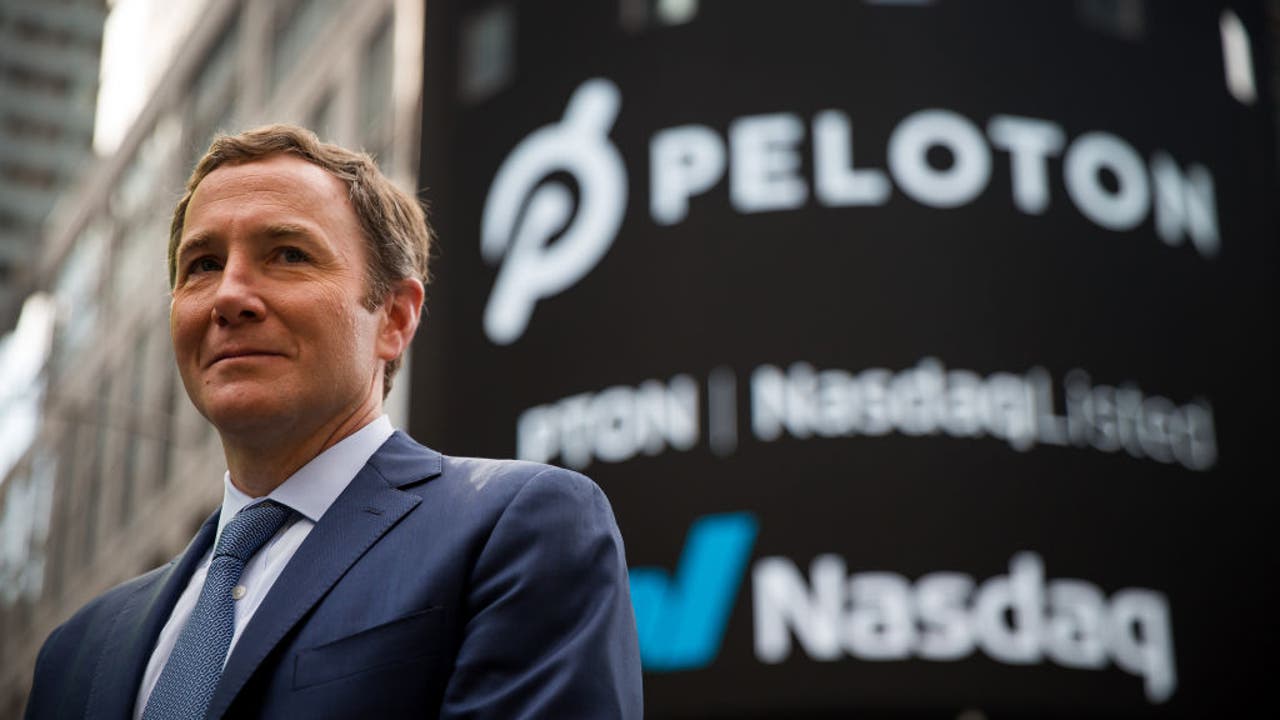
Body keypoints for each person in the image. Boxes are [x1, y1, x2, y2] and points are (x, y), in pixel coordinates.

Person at [24, 124, 643, 719]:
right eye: (204, 265)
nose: (229, 296)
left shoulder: (517, 530)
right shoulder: (75, 653)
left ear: (395, 318)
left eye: (288, 255)